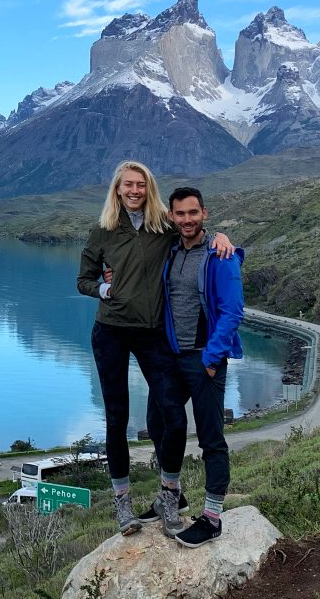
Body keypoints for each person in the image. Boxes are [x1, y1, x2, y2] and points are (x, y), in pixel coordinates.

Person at [76, 161, 231, 536]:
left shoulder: (163, 227)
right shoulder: (103, 231)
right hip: (110, 332)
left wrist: (221, 237)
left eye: (140, 185)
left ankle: (169, 493)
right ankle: (122, 503)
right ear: (117, 189)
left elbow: (191, 229)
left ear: (149, 189)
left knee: (173, 418)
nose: (134, 190)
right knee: (117, 417)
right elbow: (84, 279)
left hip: (152, 334)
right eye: (127, 185)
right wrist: (105, 289)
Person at [158, 185, 244, 546]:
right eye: (180, 214)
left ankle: (212, 518)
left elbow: (232, 312)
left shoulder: (221, 256)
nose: (187, 219)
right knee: (168, 426)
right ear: (172, 216)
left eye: (193, 213)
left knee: (211, 438)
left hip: (203, 359)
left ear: (204, 214)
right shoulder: (171, 250)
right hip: (174, 355)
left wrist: (210, 359)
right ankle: (172, 495)